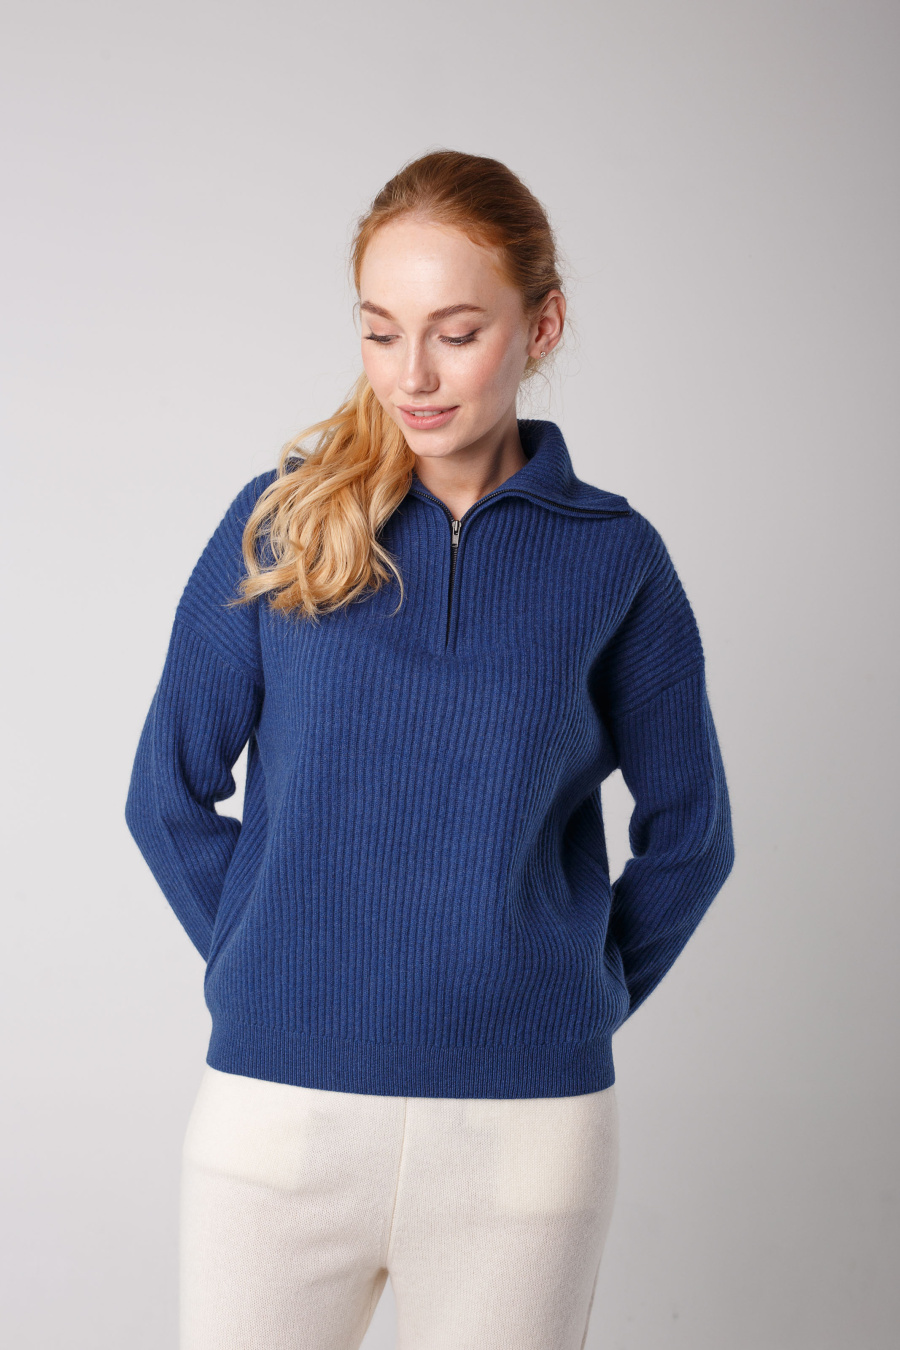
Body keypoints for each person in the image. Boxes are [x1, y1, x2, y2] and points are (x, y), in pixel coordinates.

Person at [125, 148, 735, 1350]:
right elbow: (167, 795)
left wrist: (568, 993)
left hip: (525, 1140)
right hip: (278, 1119)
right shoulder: (283, 520)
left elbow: (692, 837)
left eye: (456, 333)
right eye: (380, 331)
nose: (413, 374)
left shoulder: (615, 559)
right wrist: (269, 961)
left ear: (541, 325)